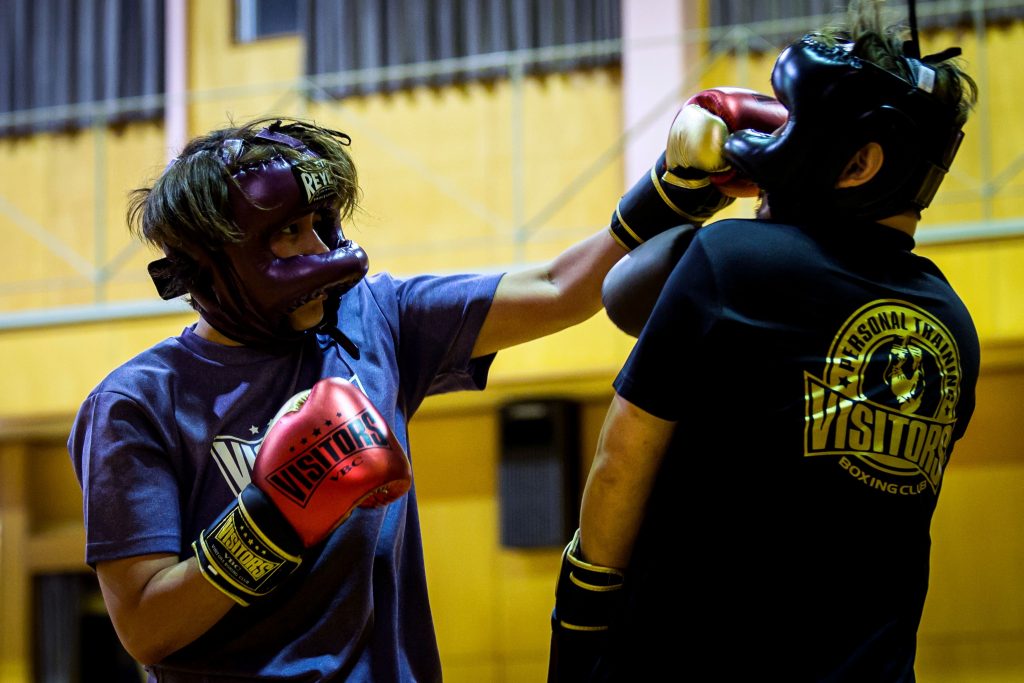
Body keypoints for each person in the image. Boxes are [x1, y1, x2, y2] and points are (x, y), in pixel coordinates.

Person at [67, 106, 732, 681]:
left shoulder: (370, 319)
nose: (321, 250)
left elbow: (559, 286)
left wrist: (672, 193)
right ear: (214, 260)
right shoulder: (136, 402)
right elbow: (145, 625)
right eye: (289, 232)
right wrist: (270, 518)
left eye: (322, 224)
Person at [549, 0, 981, 681]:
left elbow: (620, 461)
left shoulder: (734, 260)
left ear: (861, 160)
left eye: (799, 125)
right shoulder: (952, 324)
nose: (777, 141)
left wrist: (579, 625)